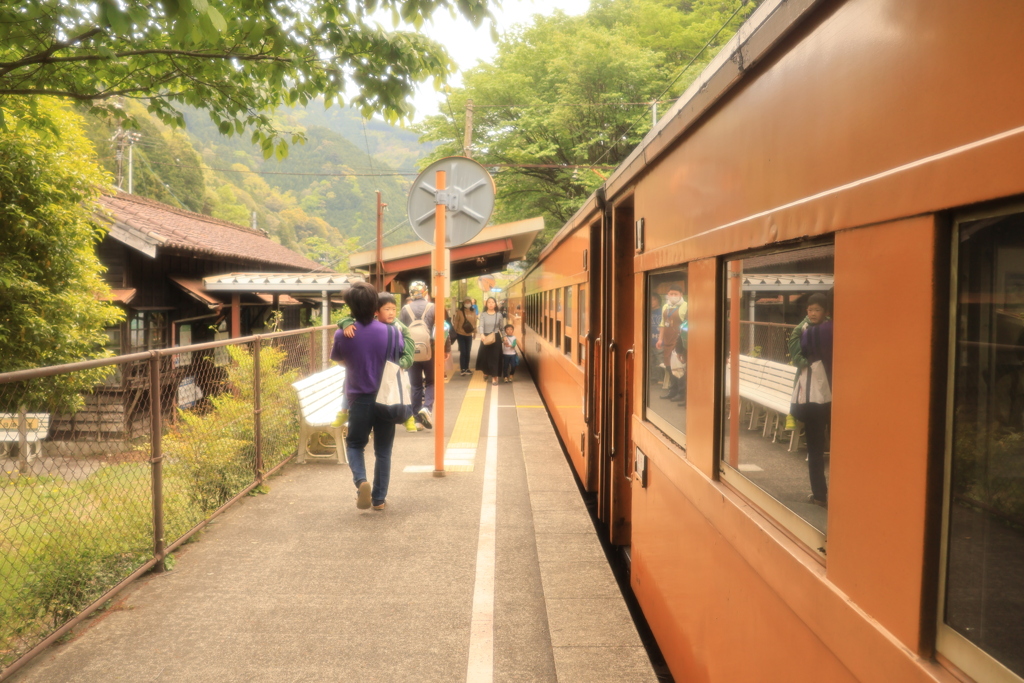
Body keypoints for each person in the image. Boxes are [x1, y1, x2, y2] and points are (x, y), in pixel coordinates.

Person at [329, 282, 402, 511]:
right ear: (375, 305)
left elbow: (339, 360)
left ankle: (361, 482)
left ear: (350, 306)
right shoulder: (391, 331)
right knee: (383, 450)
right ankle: (379, 500)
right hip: (386, 398)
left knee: (355, 444)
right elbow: (399, 357)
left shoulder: (343, 333)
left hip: (359, 398)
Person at [335, 292, 416, 432]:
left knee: (403, 385)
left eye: (393, 309)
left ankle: (408, 415)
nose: (391, 313)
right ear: (376, 311)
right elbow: (347, 318)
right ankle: (343, 411)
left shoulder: (398, 326)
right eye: (387, 309)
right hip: (374, 368)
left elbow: (409, 341)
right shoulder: (370, 322)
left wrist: (405, 360)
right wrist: (346, 324)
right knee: (349, 379)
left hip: (395, 365)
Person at [788, 292, 833, 508]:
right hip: (827, 394)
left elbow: (800, 355)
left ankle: (820, 495)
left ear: (826, 311)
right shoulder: (829, 329)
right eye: (810, 309)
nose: (812, 313)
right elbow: (800, 357)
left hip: (815, 397)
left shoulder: (806, 332)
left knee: (815, 447)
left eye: (817, 309)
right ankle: (826, 494)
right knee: (828, 447)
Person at [398, 281, 451, 431]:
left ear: (411, 293)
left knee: (415, 385)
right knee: (431, 382)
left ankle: (417, 421)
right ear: (426, 292)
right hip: (431, 351)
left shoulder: (405, 309)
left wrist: (403, 352)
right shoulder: (433, 307)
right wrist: (446, 349)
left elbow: (400, 332)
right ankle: (426, 408)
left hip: (412, 351)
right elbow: (443, 329)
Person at [656, 284, 687, 400]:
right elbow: (663, 324)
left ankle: (681, 392)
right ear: (667, 295)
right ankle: (672, 390)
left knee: (679, 367)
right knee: (669, 366)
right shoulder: (665, 307)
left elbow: (687, 325)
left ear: (681, 295)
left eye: (676, 294)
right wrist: (660, 339)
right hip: (667, 340)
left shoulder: (686, 306)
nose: (673, 296)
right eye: (671, 294)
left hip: (679, 340)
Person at [475, 297, 503, 385]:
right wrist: (482, 334)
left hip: (496, 337)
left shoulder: (499, 315)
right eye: (489, 302)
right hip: (485, 337)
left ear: (495, 304)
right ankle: (486, 372)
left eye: (492, 302)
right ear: (486, 304)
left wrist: (505, 337)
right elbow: (481, 325)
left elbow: (502, 328)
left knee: (495, 357)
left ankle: (495, 377)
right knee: (484, 357)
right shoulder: (483, 314)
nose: (491, 304)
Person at [452, 297, 478, 376]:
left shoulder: (473, 311)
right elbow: (456, 322)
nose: (467, 303)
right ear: (463, 303)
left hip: (469, 334)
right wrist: (455, 331)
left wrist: (474, 332)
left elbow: (475, 322)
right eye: (466, 302)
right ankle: (462, 369)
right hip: (460, 334)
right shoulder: (460, 312)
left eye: (469, 302)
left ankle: (467, 368)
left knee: (468, 352)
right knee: (463, 352)